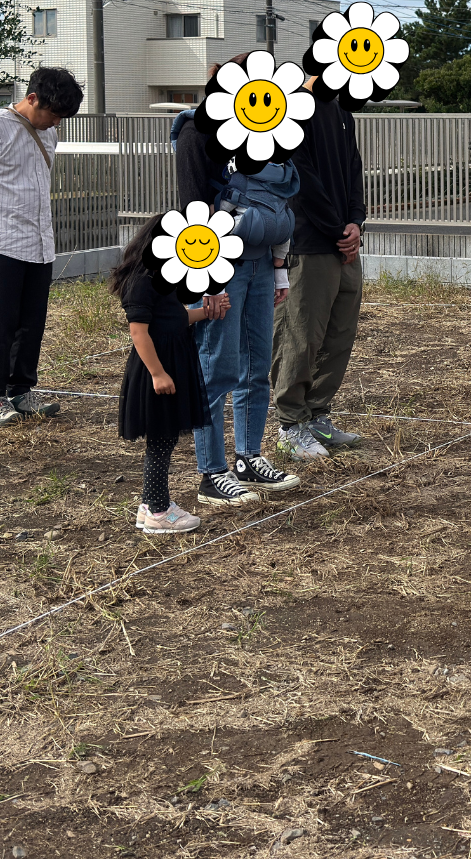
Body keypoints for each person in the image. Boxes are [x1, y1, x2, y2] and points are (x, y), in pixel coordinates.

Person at [172, 85, 302, 506]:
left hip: (261, 263)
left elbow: (281, 199)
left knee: (256, 365)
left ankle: (248, 456)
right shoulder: (197, 131)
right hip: (218, 266)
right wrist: (207, 281)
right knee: (216, 368)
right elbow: (193, 205)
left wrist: (279, 270)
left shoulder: (262, 133)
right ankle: (211, 473)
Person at [0, 67, 83, 426]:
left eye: (61, 118)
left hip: (39, 242)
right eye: (52, 114)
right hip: (0, 240)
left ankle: (21, 390)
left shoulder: (49, 135)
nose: (54, 122)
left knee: (31, 321)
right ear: (32, 98)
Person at [270, 29, 368, 462]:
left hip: (343, 242)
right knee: (300, 334)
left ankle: (318, 415)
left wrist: (355, 223)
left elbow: (353, 171)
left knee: (339, 333)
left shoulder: (343, 112)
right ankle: (290, 423)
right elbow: (301, 181)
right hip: (309, 242)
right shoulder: (289, 109)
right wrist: (336, 229)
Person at [110, 215, 219, 534]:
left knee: (164, 438)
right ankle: (159, 510)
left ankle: (149, 504)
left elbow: (174, 318)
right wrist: (158, 374)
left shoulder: (161, 278)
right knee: (160, 439)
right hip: (156, 370)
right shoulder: (142, 280)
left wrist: (206, 312)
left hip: (170, 362)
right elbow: (138, 333)